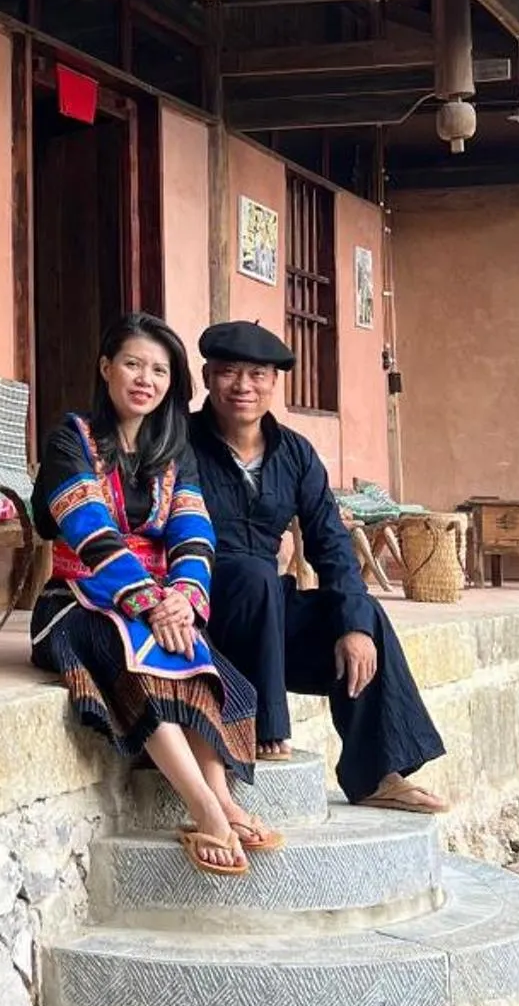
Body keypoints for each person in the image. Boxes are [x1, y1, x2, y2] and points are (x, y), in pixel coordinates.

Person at [30, 312, 277, 877]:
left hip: (158, 603)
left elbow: (194, 529)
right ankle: (204, 809)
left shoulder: (174, 449)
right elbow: (87, 528)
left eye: (160, 370)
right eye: (134, 364)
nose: (145, 379)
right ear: (106, 368)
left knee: (191, 647)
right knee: (139, 651)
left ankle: (224, 797)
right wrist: (147, 602)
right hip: (73, 600)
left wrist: (184, 598)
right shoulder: (73, 437)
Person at [188, 319, 448, 814]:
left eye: (257, 375)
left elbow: (330, 544)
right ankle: (263, 724)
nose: (243, 386)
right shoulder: (180, 442)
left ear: (273, 383)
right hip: (199, 610)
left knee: (361, 613)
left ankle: (378, 773)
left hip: (263, 616)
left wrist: (351, 625)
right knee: (250, 572)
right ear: (207, 378)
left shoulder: (295, 454)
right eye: (228, 372)